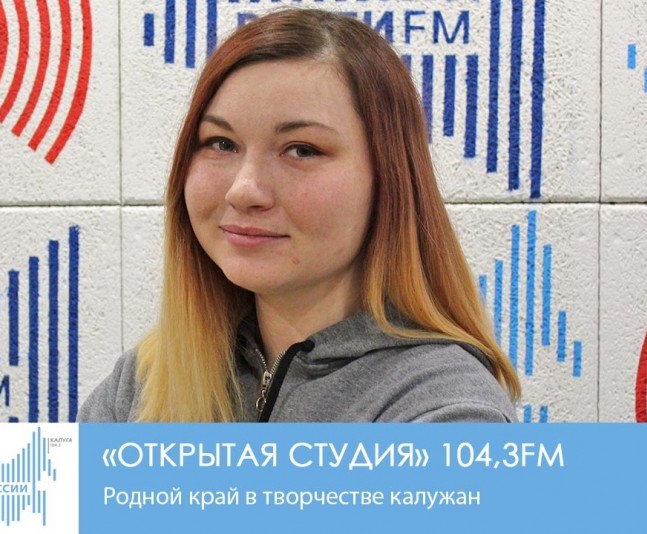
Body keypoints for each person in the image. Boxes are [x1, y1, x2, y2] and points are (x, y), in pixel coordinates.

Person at [79, 8, 520, 422]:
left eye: (302, 150)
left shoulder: (447, 411)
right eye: (221, 143)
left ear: (390, 179)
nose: (243, 190)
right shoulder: (143, 381)